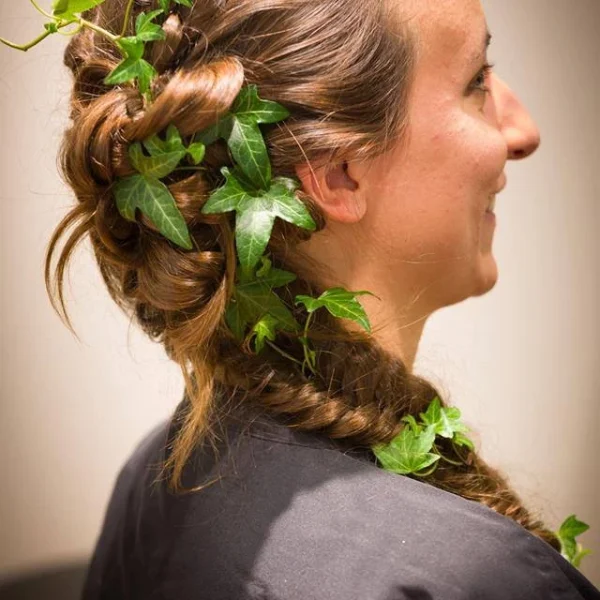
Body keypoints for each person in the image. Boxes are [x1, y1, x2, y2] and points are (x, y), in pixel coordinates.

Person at [41, 0, 600, 597]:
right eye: (477, 82)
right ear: (336, 172)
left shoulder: (154, 481)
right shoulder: (469, 580)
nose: (523, 131)